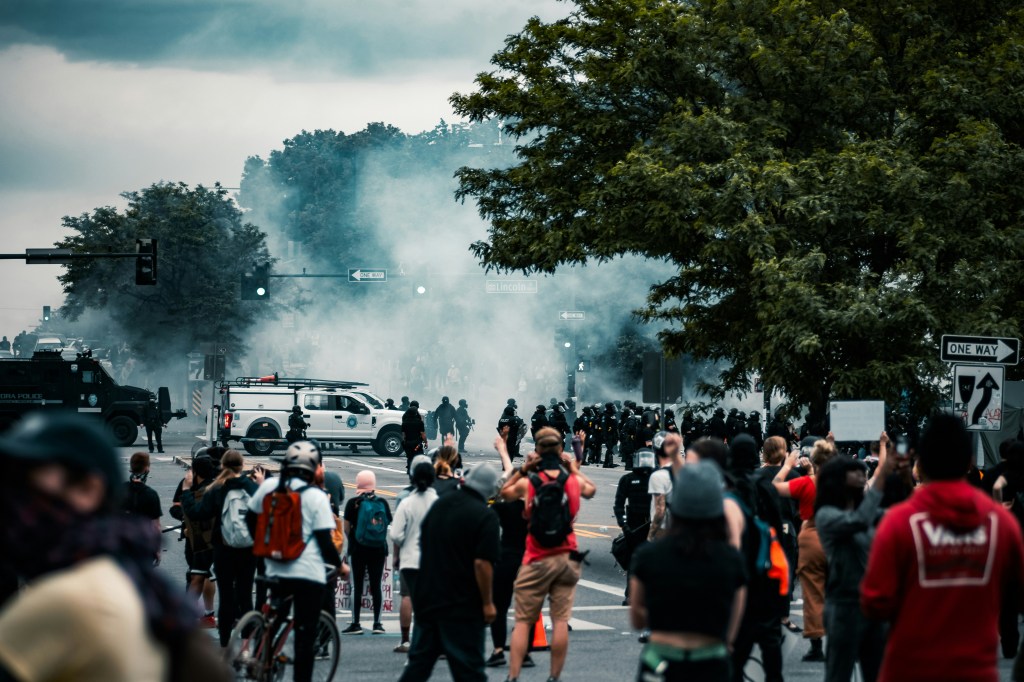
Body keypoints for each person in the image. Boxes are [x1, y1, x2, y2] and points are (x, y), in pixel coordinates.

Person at [0, 412, 229, 682]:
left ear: (88, 489)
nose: (12, 496)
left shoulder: (61, 602)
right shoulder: (133, 582)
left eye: (28, 482)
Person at [862, 415, 1024, 682]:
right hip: (976, 671)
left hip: (908, 669)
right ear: (968, 461)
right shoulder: (1002, 525)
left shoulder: (899, 523)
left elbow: (875, 601)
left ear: (922, 463)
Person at [629, 461, 748, 682]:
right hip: (711, 659)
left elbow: (637, 618)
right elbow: (733, 623)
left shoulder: (649, 555)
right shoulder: (731, 559)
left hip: (660, 659)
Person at [499, 427, 597, 682]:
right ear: (559, 450)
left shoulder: (528, 482)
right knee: (561, 620)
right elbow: (591, 490)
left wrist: (524, 468)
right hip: (566, 556)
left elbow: (503, 492)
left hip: (536, 556)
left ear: (538, 451)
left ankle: (513, 675)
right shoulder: (571, 481)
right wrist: (575, 467)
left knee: (523, 620)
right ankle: (554, 676)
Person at [246, 441, 342, 682]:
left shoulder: (268, 486)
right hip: (307, 573)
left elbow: (250, 519)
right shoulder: (316, 497)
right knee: (304, 636)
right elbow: (325, 543)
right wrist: (340, 566)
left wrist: (264, 547)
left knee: (274, 616)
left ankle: (260, 658)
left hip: (273, 567)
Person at [398, 465, 502, 681]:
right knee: (469, 669)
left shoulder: (440, 504)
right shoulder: (485, 516)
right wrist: (487, 603)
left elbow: (423, 542)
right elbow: (483, 564)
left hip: (429, 598)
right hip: (461, 603)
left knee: (418, 666)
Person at [815, 440, 895, 682]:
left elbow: (898, 515)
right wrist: (882, 476)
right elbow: (858, 521)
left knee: (877, 674)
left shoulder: (869, 512)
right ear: (837, 479)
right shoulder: (826, 515)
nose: (862, 474)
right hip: (845, 604)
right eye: (854, 471)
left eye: (864, 472)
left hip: (874, 604)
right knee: (839, 673)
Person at [180, 450, 264, 648]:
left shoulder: (216, 489)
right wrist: (260, 486)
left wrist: (186, 490)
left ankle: (225, 645)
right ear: (242, 466)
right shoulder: (251, 487)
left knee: (226, 597)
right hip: (248, 548)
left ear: (223, 466)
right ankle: (245, 646)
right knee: (245, 596)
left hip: (223, 548)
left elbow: (197, 513)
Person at [772, 439, 836, 662]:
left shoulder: (807, 483)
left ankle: (816, 645)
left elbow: (775, 487)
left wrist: (788, 465)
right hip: (838, 537)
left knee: (813, 593)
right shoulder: (842, 483)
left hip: (812, 536)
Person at [487, 435, 534, 669]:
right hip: (530, 557)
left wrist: (504, 452)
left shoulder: (505, 506)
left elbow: (504, 483)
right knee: (526, 607)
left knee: (500, 605)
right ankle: (523, 651)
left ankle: (498, 650)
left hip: (507, 555)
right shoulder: (536, 504)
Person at [390, 457, 438, 654]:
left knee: (408, 597)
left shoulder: (407, 503)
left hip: (409, 559)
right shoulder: (437, 501)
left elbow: (395, 534)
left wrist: (402, 545)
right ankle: (432, 640)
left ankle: (406, 640)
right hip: (432, 560)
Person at [342, 470, 393, 635]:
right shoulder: (382, 503)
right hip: (378, 549)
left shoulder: (352, 503)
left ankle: (355, 623)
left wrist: (354, 541)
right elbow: (387, 524)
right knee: (376, 585)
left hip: (358, 549)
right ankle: (377, 623)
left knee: (356, 586)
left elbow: (346, 528)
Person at [181, 454, 219, 627]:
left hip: (203, 542)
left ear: (196, 471)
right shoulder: (218, 486)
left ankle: (189, 614)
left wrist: (186, 489)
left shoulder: (201, 491)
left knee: (197, 577)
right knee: (208, 577)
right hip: (218, 542)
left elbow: (193, 512)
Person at [614, 446, 654, 603]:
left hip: (651, 523)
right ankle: (630, 594)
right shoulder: (627, 479)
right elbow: (618, 505)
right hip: (633, 524)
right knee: (633, 561)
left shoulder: (656, 478)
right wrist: (624, 525)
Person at [648, 432, 677, 541]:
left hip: (664, 528)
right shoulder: (684, 471)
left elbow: (660, 510)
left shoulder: (658, 476)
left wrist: (651, 534)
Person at [122, 451, 163, 530]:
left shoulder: (120, 490)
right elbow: (156, 525)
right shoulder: (151, 494)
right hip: (141, 537)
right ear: (146, 468)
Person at [402, 401, 427, 472]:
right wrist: (425, 442)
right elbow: (422, 433)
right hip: (417, 443)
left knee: (410, 456)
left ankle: (409, 468)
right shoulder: (419, 421)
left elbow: (403, 434)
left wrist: (404, 442)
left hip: (408, 442)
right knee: (419, 455)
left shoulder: (405, 420)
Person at [600, 402, 619, 468]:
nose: (614, 408)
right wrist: (605, 436)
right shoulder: (605, 416)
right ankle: (607, 463)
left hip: (612, 434)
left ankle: (609, 463)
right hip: (608, 435)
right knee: (609, 448)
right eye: (613, 407)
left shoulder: (612, 415)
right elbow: (604, 427)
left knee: (610, 448)